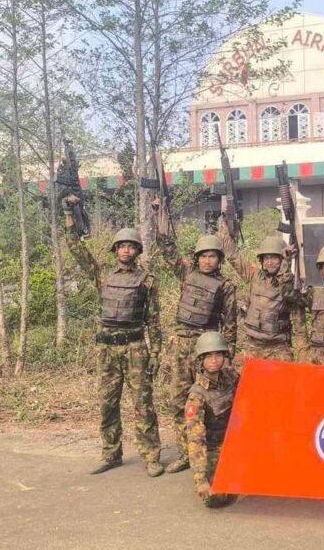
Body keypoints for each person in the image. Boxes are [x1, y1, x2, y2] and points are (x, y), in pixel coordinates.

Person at [63, 208, 162, 477]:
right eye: (122, 246)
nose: (126, 250)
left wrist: (156, 353)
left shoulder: (147, 281)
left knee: (143, 404)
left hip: (135, 349)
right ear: (116, 249)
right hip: (107, 349)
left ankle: (151, 456)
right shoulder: (103, 276)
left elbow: (153, 320)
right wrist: (70, 217)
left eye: (131, 246)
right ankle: (111, 453)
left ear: (137, 250)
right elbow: (78, 251)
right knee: (108, 403)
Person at [156, 207, 238, 475]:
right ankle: (186, 452)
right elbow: (167, 247)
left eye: (212, 256)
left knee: (214, 403)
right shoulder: (186, 273)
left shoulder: (226, 286)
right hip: (181, 344)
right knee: (178, 400)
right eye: (203, 255)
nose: (207, 260)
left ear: (219, 259)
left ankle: (214, 451)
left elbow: (230, 324)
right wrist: (160, 214)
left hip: (208, 347)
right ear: (196, 258)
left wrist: (227, 357)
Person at [216, 219, 300, 362]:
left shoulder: (289, 280)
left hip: (279, 347)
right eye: (266, 258)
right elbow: (233, 257)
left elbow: (288, 291)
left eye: (275, 258)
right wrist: (223, 231)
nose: (270, 262)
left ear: (282, 259)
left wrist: (287, 263)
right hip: (253, 345)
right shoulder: (255, 276)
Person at [185, 331, 239, 508]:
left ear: (224, 357)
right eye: (208, 356)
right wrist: (200, 479)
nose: (213, 360)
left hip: (235, 440)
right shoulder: (196, 396)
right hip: (214, 446)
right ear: (200, 360)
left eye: (218, 355)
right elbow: (196, 439)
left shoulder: (230, 377)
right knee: (215, 499)